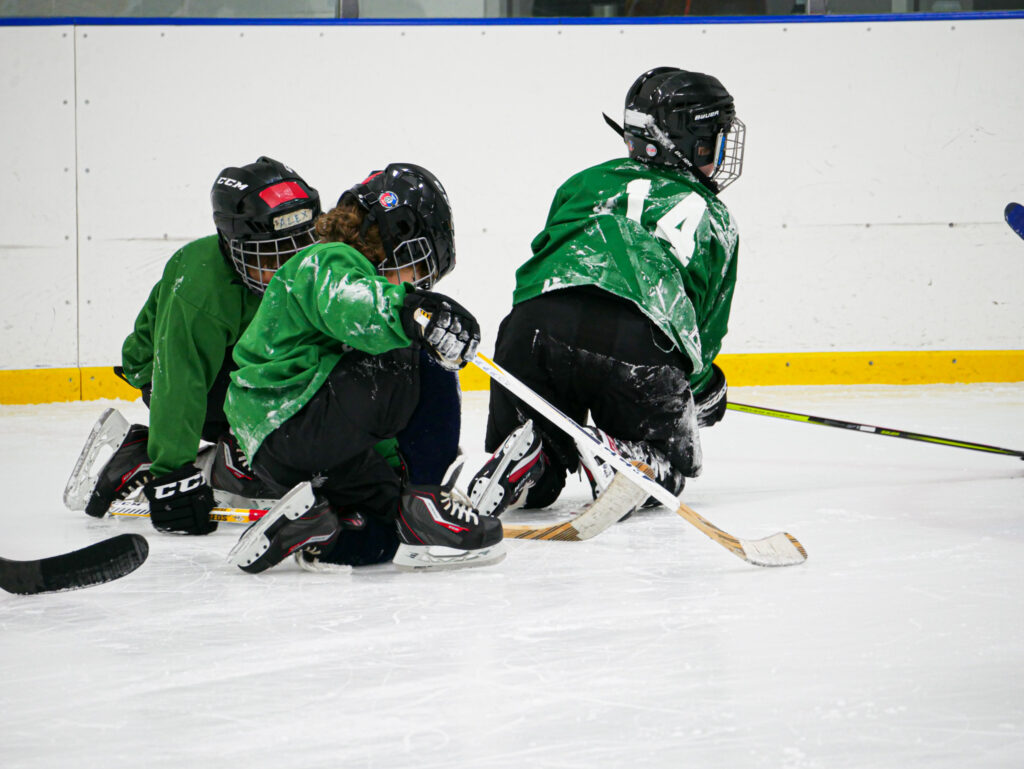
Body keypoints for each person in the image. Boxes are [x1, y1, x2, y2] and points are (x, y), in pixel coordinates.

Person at [469, 67, 744, 513]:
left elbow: (552, 261)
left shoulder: (582, 183)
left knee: (540, 482)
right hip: (636, 340)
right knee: (663, 477)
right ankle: (627, 458)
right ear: (690, 141)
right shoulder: (714, 217)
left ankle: (534, 457)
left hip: (531, 329)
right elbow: (701, 335)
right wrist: (705, 390)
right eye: (715, 136)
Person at [224, 163, 510, 573]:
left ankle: (316, 529)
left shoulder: (345, 278)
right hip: (290, 419)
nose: (414, 283)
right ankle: (429, 500)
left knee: (390, 528)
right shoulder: (326, 259)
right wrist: (413, 311)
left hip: (296, 440)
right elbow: (354, 303)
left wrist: (398, 479)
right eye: (417, 265)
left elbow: (362, 392)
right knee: (424, 344)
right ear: (395, 236)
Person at [64, 157, 320, 535]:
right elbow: (179, 377)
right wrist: (172, 474)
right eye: (271, 254)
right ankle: (150, 452)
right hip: (170, 376)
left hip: (244, 363)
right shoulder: (201, 284)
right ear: (236, 245)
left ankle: (235, 450)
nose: (286, 264)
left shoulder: (297, 269)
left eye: (297, 247)